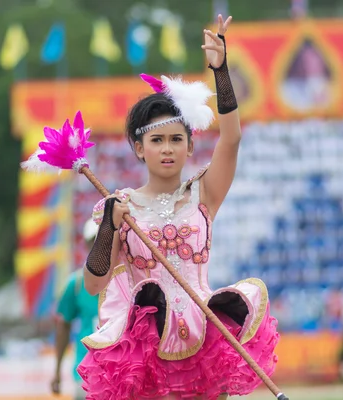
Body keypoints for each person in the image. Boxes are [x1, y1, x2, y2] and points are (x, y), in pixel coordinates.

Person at [77, 15, 279, 400]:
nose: (167, 149)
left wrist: (220, 71)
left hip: (206, 335)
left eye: (175, 139)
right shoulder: (120, 207)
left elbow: (232, 138)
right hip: (147, 346)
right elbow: (93, 285)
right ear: (139, 148)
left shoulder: (203, 194)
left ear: (189, 145)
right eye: (156, 141)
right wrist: (108, 227)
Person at [51, 218, 100, 400]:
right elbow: (63, 326)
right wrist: (57, 371)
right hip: (86, 373)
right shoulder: (76, 284)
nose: (99, 246)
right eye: (93, 241)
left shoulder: (127, 281)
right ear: (86, 245)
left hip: (121, 372)